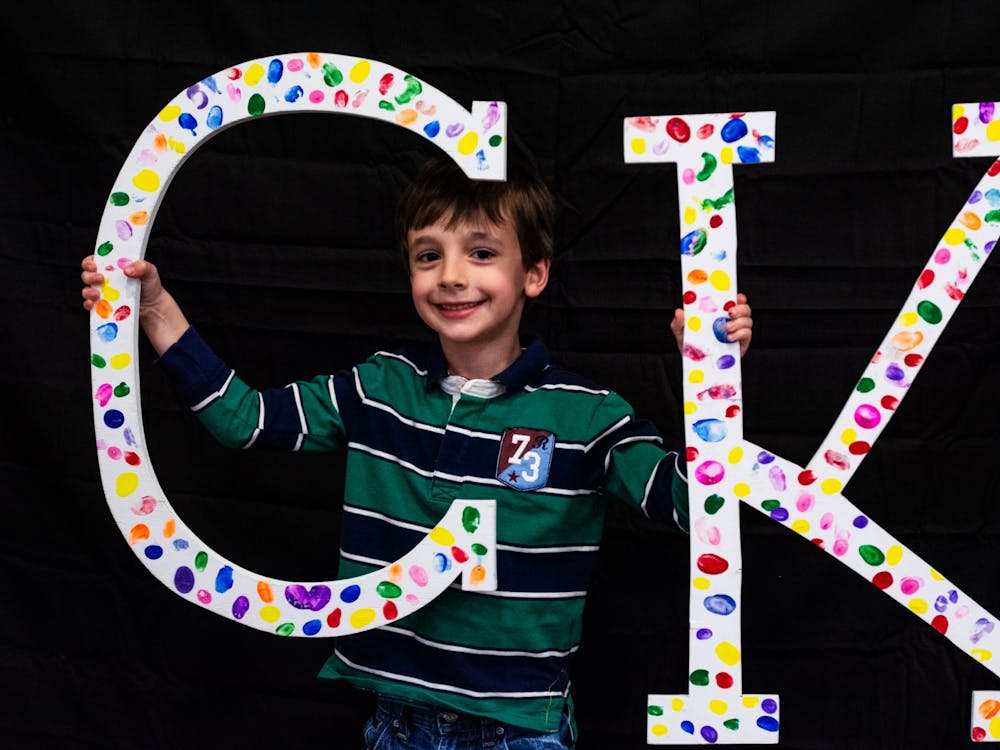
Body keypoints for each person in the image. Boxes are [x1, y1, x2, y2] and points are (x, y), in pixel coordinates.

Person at [81, 154, 752, 749]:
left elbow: (697, 510)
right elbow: (246, 421)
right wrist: (156, 310)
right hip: (395, 724)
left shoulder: (588, 414)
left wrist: (711, 378)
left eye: (481, 253)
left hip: (518, 732)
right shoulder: (379, 388)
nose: (451, 276)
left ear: (534, 273)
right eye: (429, 256)